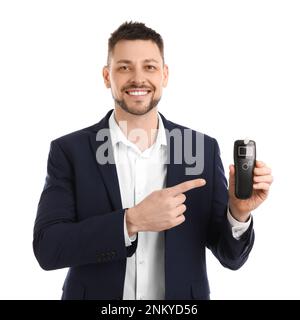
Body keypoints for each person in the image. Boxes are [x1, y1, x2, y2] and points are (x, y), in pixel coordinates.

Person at [33, 21, 273, 300]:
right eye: (124, 67)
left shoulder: (200, 149)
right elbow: (48, 248)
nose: (138, 78)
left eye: (149, 67)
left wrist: (239, 212)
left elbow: (231, 258)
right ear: (106, 76)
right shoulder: (71, 150)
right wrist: (130, 221)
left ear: (165, 75)